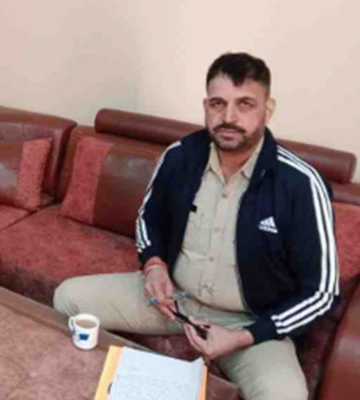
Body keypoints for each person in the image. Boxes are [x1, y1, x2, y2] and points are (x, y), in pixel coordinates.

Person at [53, 52, 337, 400]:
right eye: (218, 104)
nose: (229, 117)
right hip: (173, 301)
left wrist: (245, 336)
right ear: (206, 106)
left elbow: (321, 293)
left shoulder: (300, 183)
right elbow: (148, 218)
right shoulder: (180, 156)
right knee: (68, 298)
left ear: (268, 108)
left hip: (249, 322)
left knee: (285, 396)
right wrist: (153, 266)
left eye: (245, 104)